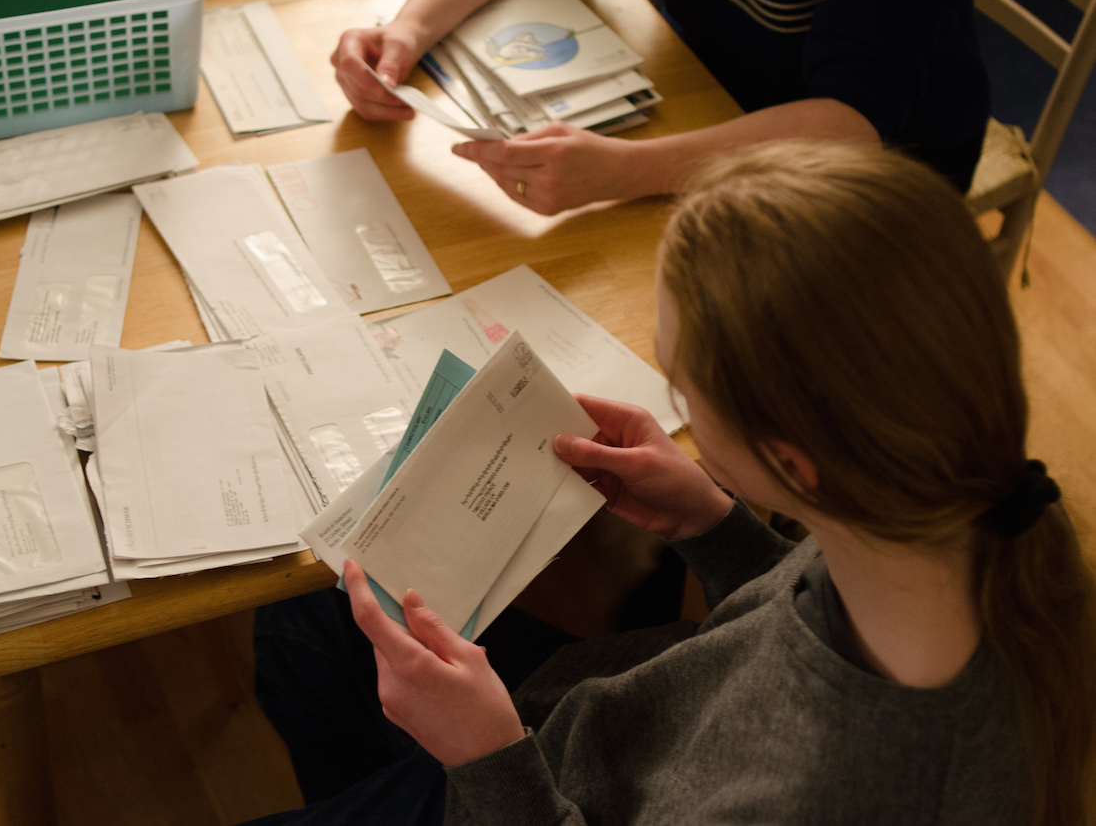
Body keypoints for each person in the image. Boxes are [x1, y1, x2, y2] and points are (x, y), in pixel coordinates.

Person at [247, 140, 1096, 826]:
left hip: (529, 782)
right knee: (308, 620)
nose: (673, 400)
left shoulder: (830, 790)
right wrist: (716, 527)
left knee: (317, 642)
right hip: (581, 732)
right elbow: (796, 635)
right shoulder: (943, 518)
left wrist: (485, 762)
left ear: (793, 464)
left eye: (680, 386)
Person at [330, 0, 990, 216]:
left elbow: (850, 124)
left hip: (875, 181)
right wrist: (409, 29)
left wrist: (626, 171)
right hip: (709, 93)